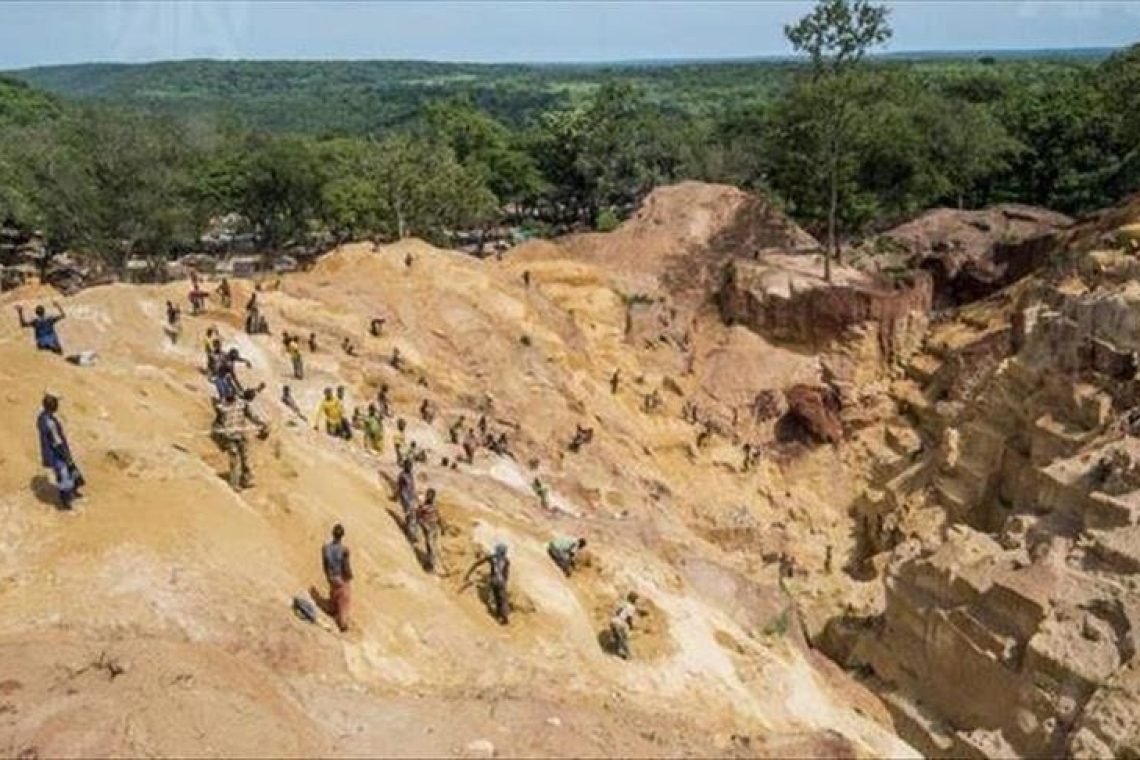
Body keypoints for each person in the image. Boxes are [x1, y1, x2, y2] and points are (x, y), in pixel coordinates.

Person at [211, 385, 269, 490]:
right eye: (228, 396)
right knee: (234, 459)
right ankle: (234, 483)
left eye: (232, 395)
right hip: (229, 437)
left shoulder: (242, 404)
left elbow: (252, 416)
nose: (230, 397)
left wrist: (261, 423)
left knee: (245, 458)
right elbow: (217, 423)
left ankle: (246, 479)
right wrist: (218, 431)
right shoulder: (221, 407)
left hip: (240, 435)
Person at [37, 393, 84, 509]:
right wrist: (63, 455)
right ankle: (65, 500)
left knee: (71, 470)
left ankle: (71, 492)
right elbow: (54, 441)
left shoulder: (44, 417)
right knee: (64, 474)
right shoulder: (48, 422)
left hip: (57, 450)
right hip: (56, 452)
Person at [465, 543, 510, 625]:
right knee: (502, 599)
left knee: (496, 597)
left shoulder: (492, 558)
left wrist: (468, 573)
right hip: (501, 581)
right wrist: (505, 583)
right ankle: (504, 618)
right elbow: (506, 574)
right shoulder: (506, 561)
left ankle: (499, 614)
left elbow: (478, 563)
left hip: (493, 580)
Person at [322, 524, 353, 632]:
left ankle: (332, 609)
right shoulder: (344, 550)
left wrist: (328, 576)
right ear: (342, 536)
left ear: (333, 534)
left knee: (334, 593)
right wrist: (348, 579)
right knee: (344, 601)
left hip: (331, 576)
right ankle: (343, 624)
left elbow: (325, 565)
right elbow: (346, 567)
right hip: (340, 578)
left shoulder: (325, 548)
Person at [417, 488, 441, 572]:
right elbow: (418, 517)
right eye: (428, 495)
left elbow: (438, 516)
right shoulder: (423, 506)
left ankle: (430, 564)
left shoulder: (435, 506)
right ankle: (430, 564)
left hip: (434, 529)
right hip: (428, 528)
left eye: (432, 496)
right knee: (430, 546)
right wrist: (423, 524)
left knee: (431, 546)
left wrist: (442, 527)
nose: (430, 497)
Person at [610, 592, 639, 660]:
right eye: (636, 600)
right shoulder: (631, 607)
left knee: (617, 637)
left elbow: (618, 612)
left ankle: (612, 648)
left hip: (613, 621)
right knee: (624, 639)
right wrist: (631, 626)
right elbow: (629, 618)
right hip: (619, 623)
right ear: (634, 600)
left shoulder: (623, 603)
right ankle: (625, 655)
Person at [396, 459, 418, 542]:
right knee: (411, 515)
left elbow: (412, 487)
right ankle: (411, 534)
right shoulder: (402, 476)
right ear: (404, 466)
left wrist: (415, 496)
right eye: (408, 465)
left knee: (412, 515)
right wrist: (396, 496)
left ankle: (408, 529)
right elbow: (399, 487)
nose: (410, 467)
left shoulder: (410, 474)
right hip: (405, 498)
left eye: (410, 465)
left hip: (411, 497)